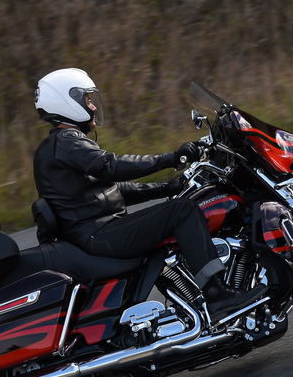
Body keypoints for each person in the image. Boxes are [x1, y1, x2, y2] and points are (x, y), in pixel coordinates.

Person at [32, 68, 263, 320]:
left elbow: (112, 191)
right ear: (67, 102)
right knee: (182, 211)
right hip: (97, 235)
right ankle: (217, 296)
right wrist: (175, 158)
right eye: (87, 100)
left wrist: (170, 187)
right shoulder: (66, 141)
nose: (94, 107)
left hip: (95, 231)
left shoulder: (60, 145)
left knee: (178, 203)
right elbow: (112, 166)